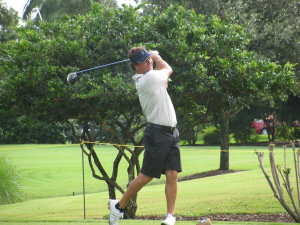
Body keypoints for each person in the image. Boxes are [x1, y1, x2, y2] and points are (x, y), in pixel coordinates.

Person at [108, 46, 182, 225]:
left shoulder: (152, 78)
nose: (149, 61)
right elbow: (168, 69)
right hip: (157, 133)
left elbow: (164, 81)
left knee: (172, 174)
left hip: (171, 132)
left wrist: (153, 57)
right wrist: (157, 57)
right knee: (146, 175)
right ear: (135, 66)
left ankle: (170, 216)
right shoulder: (147, 79)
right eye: (145, 60)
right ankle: (118, 207)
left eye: (149, 58)